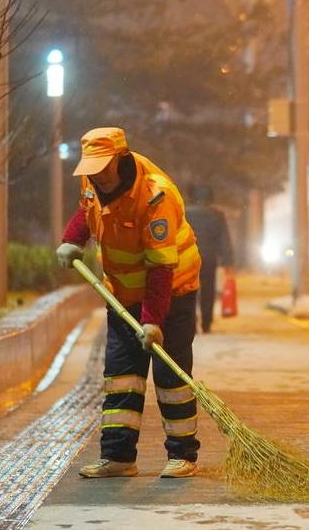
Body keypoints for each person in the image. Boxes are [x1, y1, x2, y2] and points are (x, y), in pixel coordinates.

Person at [55, 127, 202, 479]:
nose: (96, 176)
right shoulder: (93, 180)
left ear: (120, 160)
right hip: (121, 294)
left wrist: (153, 320)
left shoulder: (155, 197)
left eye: (102, 168)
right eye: (90, 169)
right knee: (121, 375)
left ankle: (183, 455)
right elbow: (87, 209)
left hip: (172, 293)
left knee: (171, 375)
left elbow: (162, 267)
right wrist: (73, 239)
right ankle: (118, 456)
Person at [184, 184, 234, 333]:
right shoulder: (217, 215)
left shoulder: (186, 213)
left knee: (188, 290)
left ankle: (191, 322)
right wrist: (228, 261)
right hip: (209, 257)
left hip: (189, 257)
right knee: (208, 290)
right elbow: (224, 239)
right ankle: (206, 322)